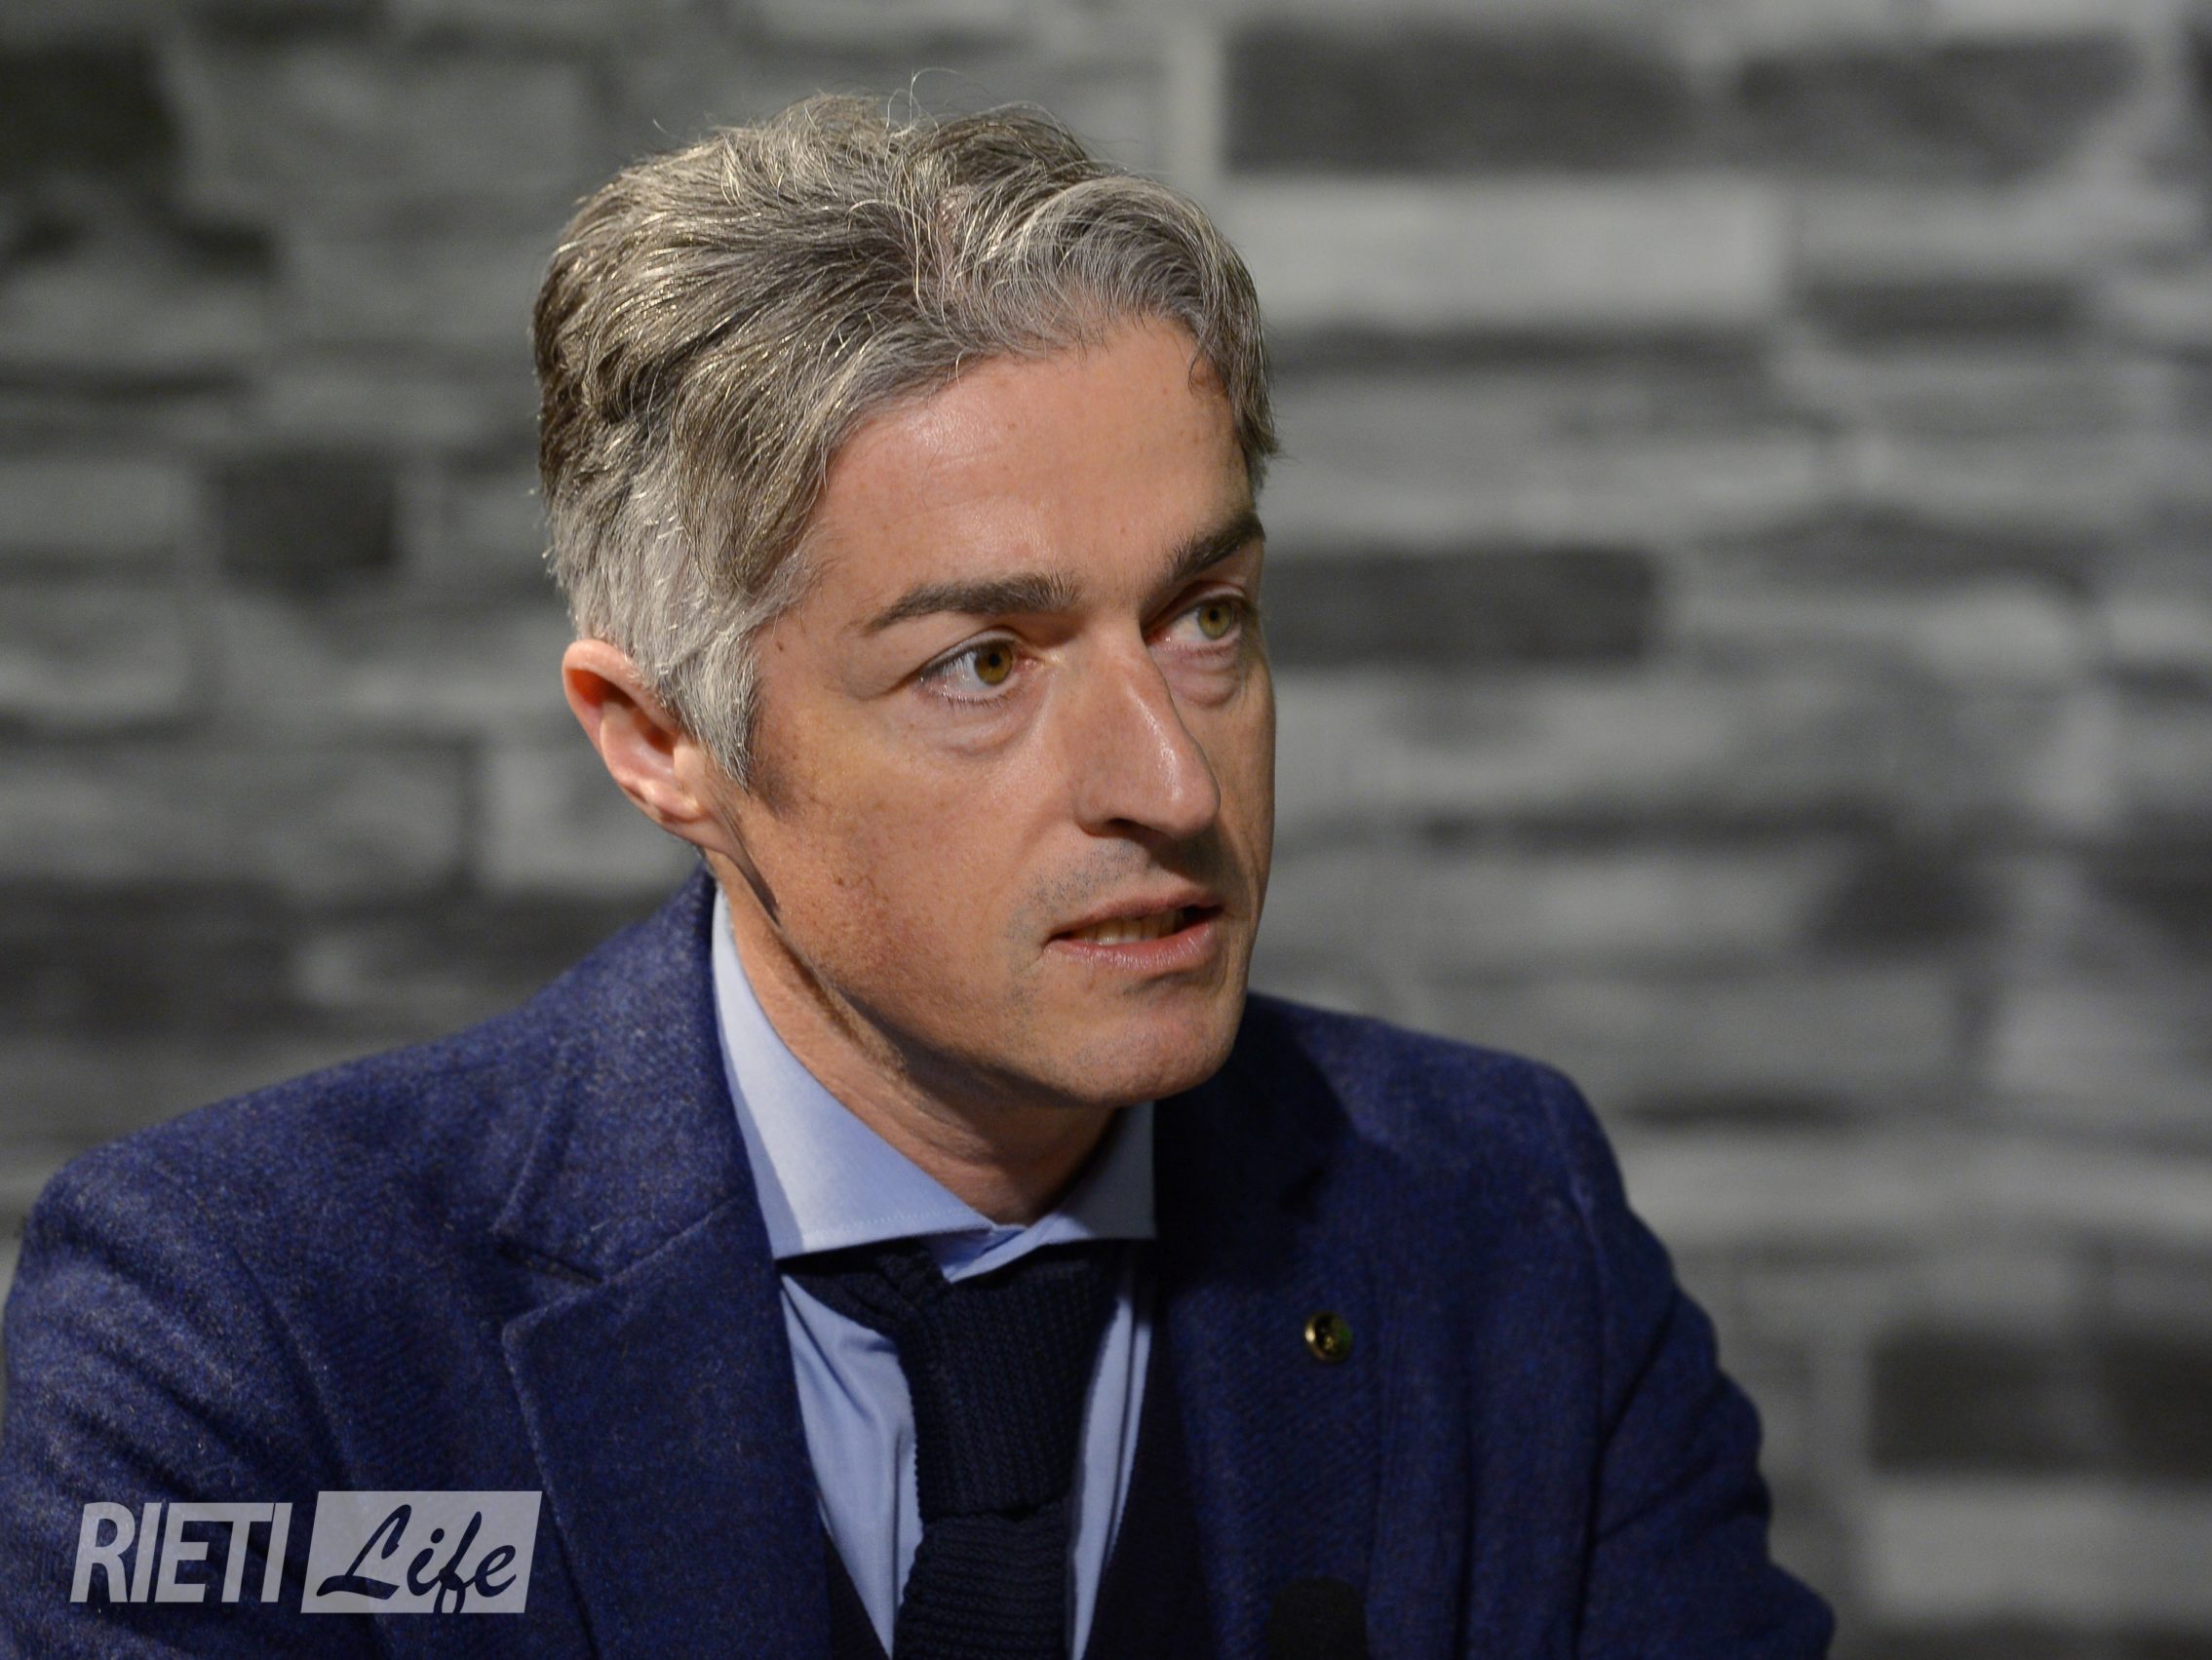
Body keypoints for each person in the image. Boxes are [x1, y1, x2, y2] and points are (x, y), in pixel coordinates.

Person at [0, 95, 1833, 1657]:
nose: (1171, 782)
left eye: (1206, 617)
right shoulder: (248, 1332)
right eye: (985, 664)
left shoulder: (1504, 1228)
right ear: (661, 741)